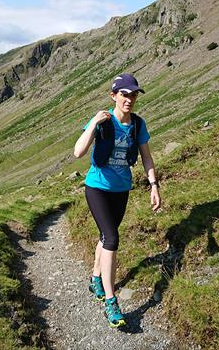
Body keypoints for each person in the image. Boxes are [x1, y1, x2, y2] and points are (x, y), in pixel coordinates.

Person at [73, 73, 161, 328]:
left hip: (122, 189)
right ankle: (111, 302)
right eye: (124, 94)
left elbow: (147, 158)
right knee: (111, 239)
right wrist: (93, 124)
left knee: (106, 236)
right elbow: (79, 151)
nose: (130, 99)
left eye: (133, 94)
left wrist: (153, 185)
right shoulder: (103, 120)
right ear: (113, 95)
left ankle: (95, 278)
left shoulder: (137, 124)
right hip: (97, 188)